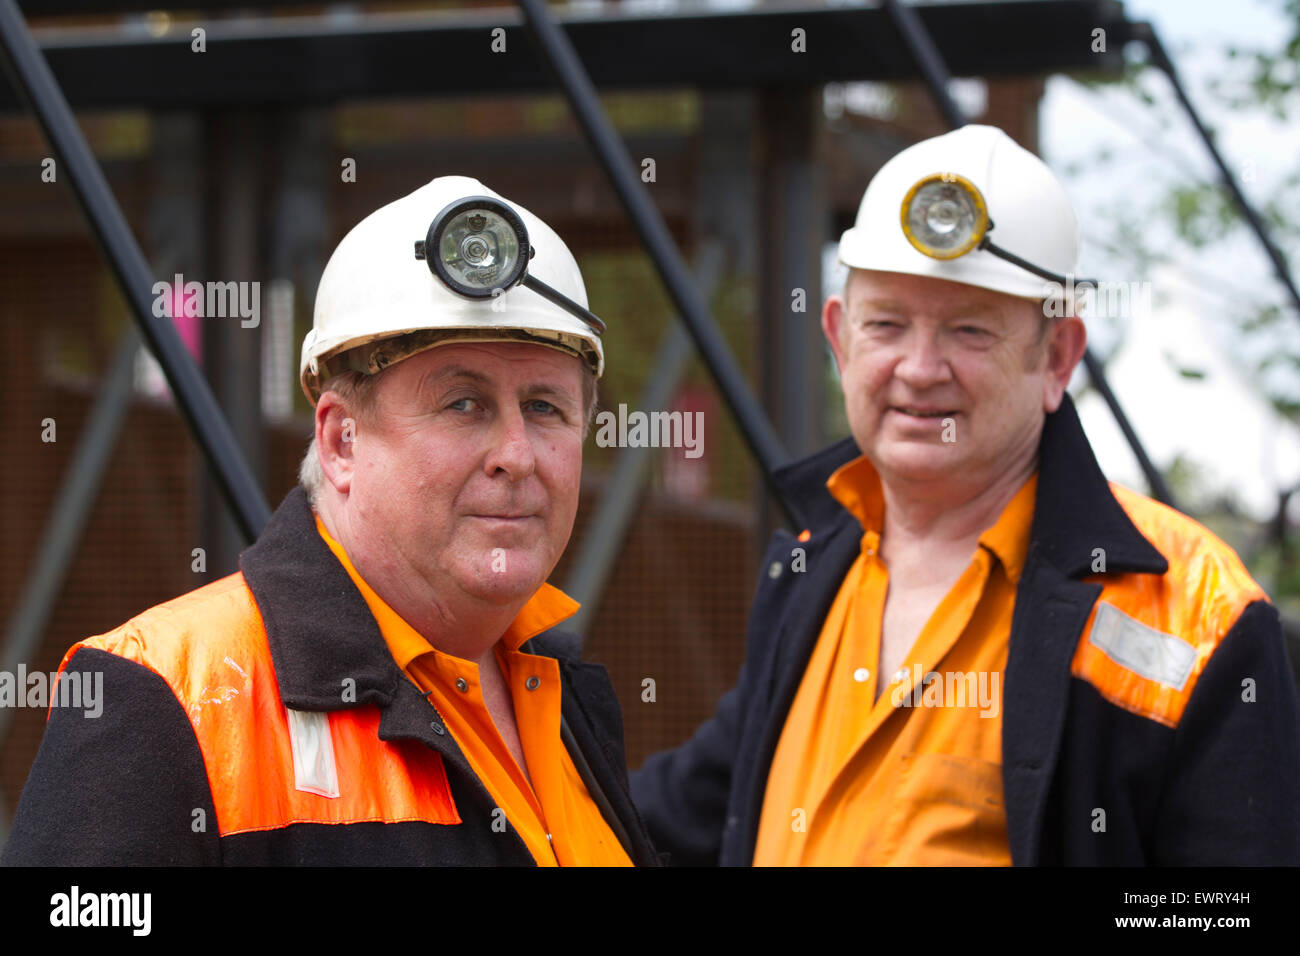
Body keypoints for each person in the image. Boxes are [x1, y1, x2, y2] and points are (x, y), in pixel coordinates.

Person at [630, 125, 1300, 865]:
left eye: (969, 330)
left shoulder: (1197, 614)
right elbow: (697, 807)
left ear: (1057, 358)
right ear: (840, 338)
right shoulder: (810, 565)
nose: (919, 368)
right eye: (886, 323)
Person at [3, 175, 659, 866]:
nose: (517, 456)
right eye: (463, 404)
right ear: (342, 441)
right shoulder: (165, 700)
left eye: (546, 407)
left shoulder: (560, 691)